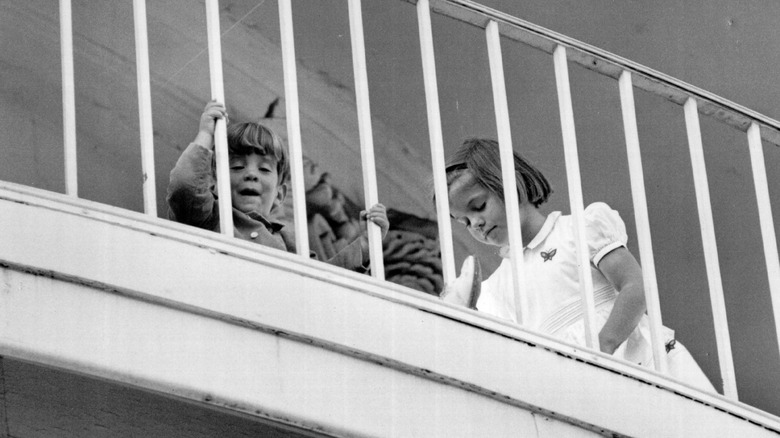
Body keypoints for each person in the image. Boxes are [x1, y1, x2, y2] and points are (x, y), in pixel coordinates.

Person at [440, 138, 715, 392]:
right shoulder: (496, 289)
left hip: (635, 358)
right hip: (577, 386)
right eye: (463, 222)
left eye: (478, 207)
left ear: (511, 185)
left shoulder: (579, 230)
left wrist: (604, 345)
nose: (474, 224)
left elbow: (635, 286)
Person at [167, 100, 388, 272]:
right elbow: (185, 186)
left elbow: (324, 278)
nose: (251, 174)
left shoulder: (289, 240)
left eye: (264, 169)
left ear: (280, 194)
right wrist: (205, 134)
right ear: (214, 184)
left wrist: (366, 245)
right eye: (237, 167)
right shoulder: (209, 217)